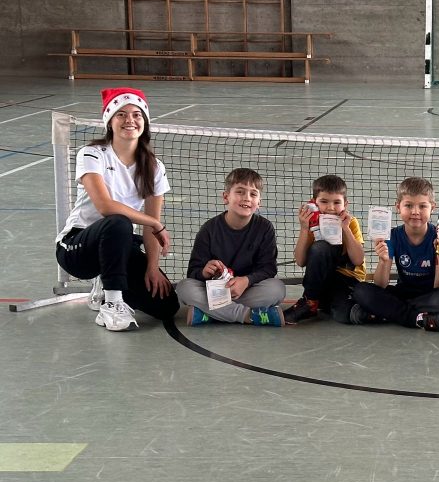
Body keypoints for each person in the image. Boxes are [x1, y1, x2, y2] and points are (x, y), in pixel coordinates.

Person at [55, 87, 179, 331]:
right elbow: (105, 207)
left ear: (144, 122)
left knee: (166, 305)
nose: (129, 120)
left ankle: (106, 283)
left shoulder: (154, 167)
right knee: (118, 221)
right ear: (110, 122)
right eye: (121, 114)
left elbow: (151, 225)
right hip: (77, 248)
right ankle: (112, 304)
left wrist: (152, 268)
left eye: (137, 114)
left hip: (118, 247)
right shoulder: (92, 154)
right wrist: (154, 223)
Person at [175, 168, 285, 326]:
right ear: (226, 197)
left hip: (247, 289)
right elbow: (193, 272)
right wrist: (204, 272)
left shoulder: (265, 228)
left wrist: (246, 280)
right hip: (215, 291)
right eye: (240, 192)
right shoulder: (209, 229)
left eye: (253, 194)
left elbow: (268, 269)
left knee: (277, 289)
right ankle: (247, 315)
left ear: (259, 202)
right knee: (184, 288)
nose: (247, 198)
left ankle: (211, 313)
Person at [350, 177, 439, 332]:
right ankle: (418, 318)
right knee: (360, 291)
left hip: (434, 293)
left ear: (432, 208)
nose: (415, 212)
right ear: (398, 207)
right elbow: (381, 285)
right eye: (408, 205)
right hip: (405, 292)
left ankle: (389, 313)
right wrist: (383, 261)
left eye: (422, 206)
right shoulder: (391, 236)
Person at [283, 175, 366, 324]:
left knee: (343, 315)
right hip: (320, 282)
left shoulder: (351, 223)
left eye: (337, 202)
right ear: (314, 202)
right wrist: (304, 228)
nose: (330, 208)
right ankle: (310, 302)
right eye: (324, 201)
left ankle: (359, 308)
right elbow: (300, 261)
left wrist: (345, 229)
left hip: (347, 282)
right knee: (320, 248)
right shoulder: (312, 225)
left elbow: (358, 260)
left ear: (345, 204)